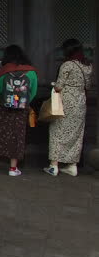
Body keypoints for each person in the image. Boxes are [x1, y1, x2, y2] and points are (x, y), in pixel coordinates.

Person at [0, 45, 38, 176]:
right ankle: (13, 168)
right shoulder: (31, 72)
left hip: (4, 108)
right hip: (21, 109)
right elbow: (33, 91)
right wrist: (24, 103)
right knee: (17, 136)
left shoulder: (4, 71)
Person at [44, 39, 93, 176]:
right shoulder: (87, 66)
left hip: (65, 103)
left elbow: (59, 86)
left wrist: (54, 85)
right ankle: (72, 166)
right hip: (80, 103)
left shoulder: (67, 65)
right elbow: (88, 86)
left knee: (57, 131)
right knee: (76, 134)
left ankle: (54, 166)